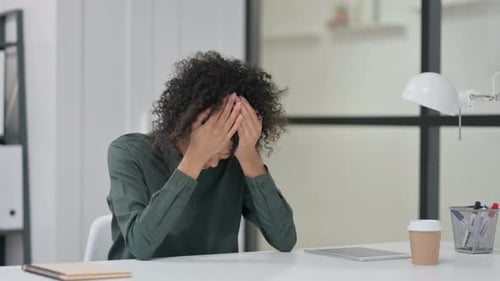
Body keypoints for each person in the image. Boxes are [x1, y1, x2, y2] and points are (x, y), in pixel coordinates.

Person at [106, 51, 297, 260]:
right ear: (188, 122)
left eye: (222, 155)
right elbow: (140, 246)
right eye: (211, 152)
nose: (215, 163)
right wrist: (195, 158)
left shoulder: (237, 160)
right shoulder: (128, 153)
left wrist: (249, 156)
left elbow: (285, 239)